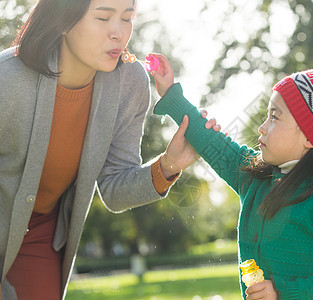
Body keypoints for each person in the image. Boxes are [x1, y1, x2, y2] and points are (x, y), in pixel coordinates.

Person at [0, 0, 220, 299]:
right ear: (64, 21)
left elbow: (115, 189)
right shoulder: (7, 79)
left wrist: (169, 164)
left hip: (41, 232)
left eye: (127, 18)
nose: (119, 33)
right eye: (103, 18)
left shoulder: (130, 82)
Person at [150, 54, 313, 299]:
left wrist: (283, 292)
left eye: (274, 117)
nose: (262, 127)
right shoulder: (254, 178)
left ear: (311, 137)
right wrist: (171, 94)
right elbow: (213, 142)